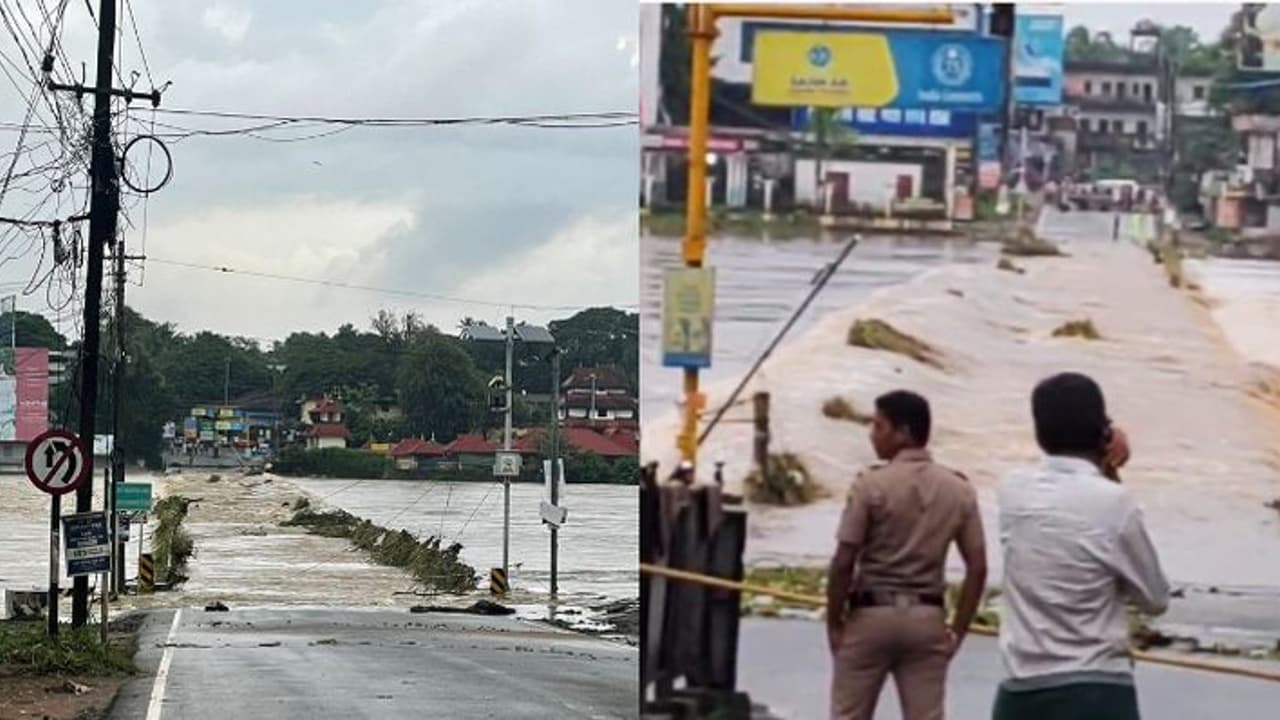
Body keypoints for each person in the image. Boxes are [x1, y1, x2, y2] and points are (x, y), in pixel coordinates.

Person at [993, 372, 1169, 720]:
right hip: (1097, 692)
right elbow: (1155, 599)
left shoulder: (1011, 491)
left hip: (1021, 691)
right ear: (1101, 433)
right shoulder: (1116, 503)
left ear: (1039, 433)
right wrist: (1111, 467)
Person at [827, 390, 987, 720]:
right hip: (927, 617)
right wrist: (958, 629)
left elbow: (844, 560)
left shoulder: (870, 485)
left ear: (903, 433)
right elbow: (978, 567)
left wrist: (834, 621)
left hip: (870, 615)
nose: (873, 434)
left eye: (879, 426)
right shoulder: (958, 489)